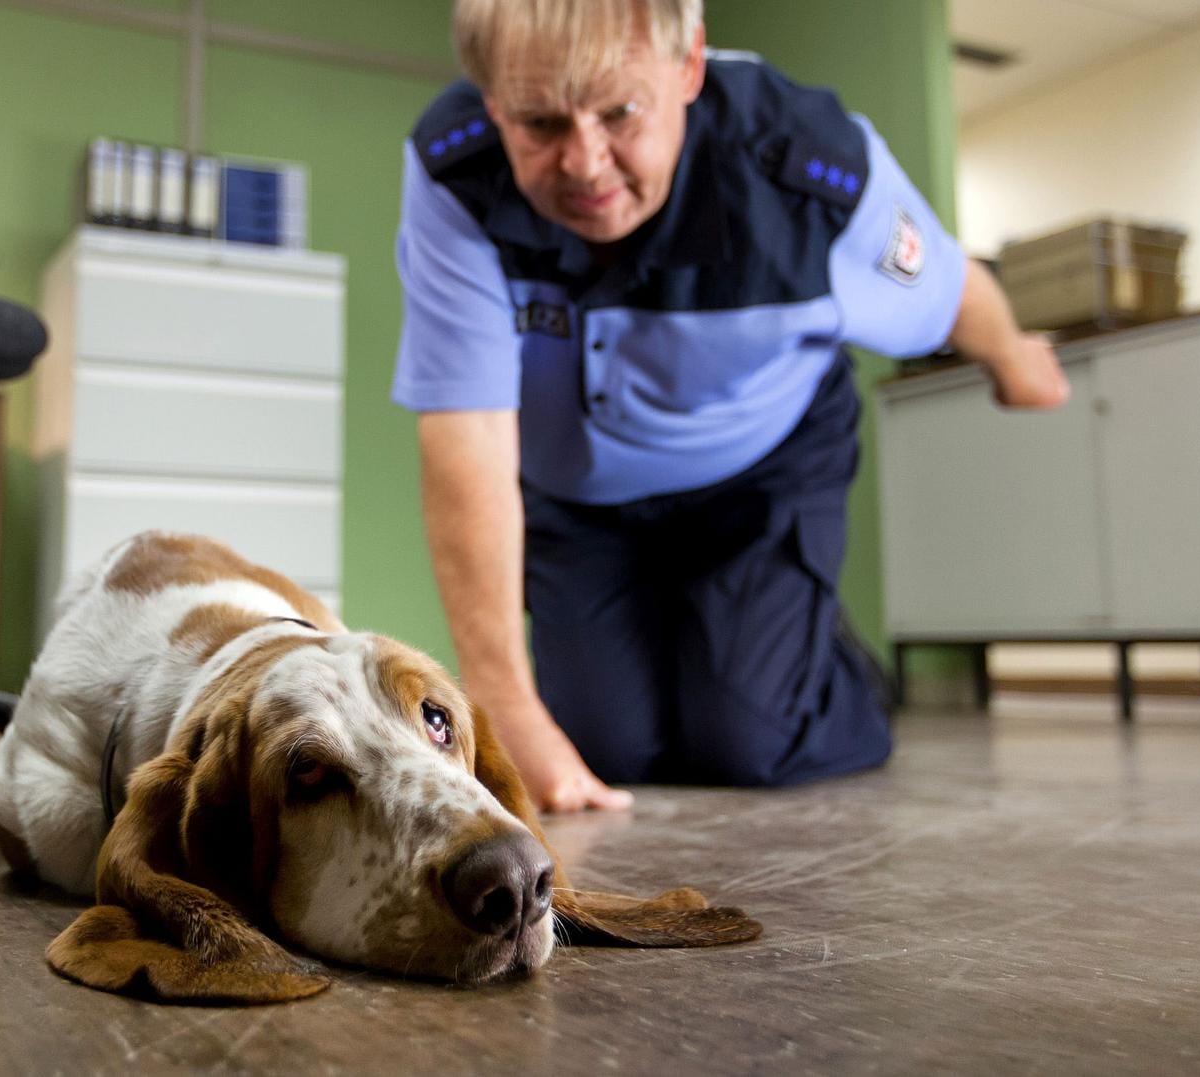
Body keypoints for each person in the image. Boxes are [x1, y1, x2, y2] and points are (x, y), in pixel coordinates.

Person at [391, 0, 1068, 812]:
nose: (586, 163)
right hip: (578, 493)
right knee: (602, 747)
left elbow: (948, 286)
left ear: (688, 68)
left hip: (759, 469)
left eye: (619, 112)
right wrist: (505, 705)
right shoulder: (453, 171)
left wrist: (1013, 358)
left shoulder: (808, 168)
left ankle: (825, 663)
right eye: (539, 122)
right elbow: (465, 430)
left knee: (747, 737)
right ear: (492, 100)